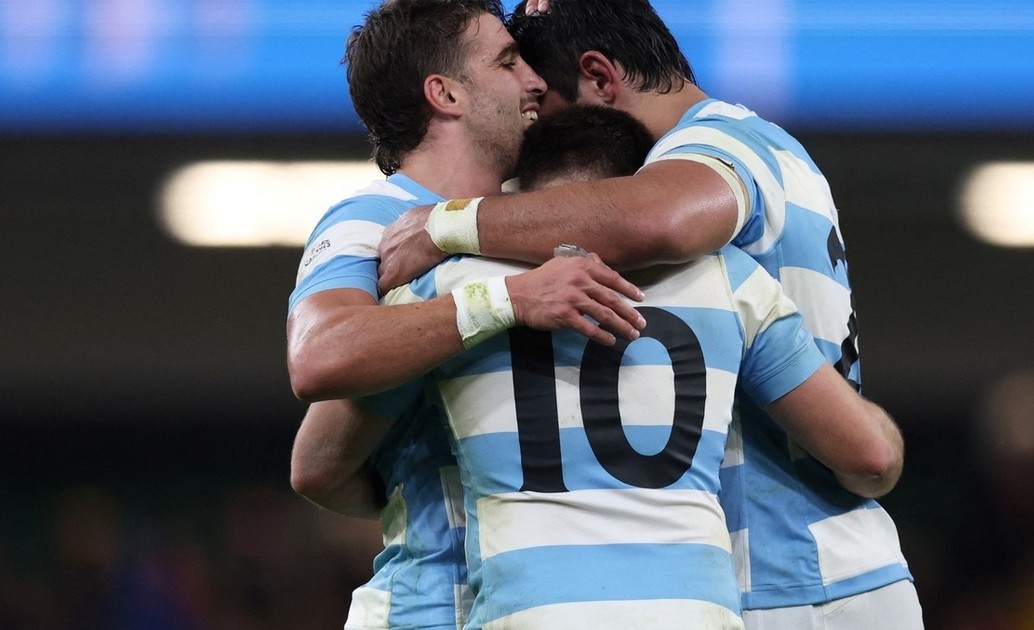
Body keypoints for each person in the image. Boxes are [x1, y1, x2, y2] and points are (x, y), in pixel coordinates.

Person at [373, 1, 923, 628]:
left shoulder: (715, 147)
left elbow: (653, 219)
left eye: (543, 109)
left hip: (785, 578)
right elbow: (869, 452)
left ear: (599, 79)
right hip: (845, 563)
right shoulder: (775, 152)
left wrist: (448, 224)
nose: (533, 137)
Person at [286, 2, 641, 628]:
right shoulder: (374, 217)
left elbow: (320, 471)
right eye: (508, 63)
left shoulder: (530, 215)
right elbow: (320, 355)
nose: (536, 81)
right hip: (432, 610)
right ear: (445, 93)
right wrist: (508, 300)